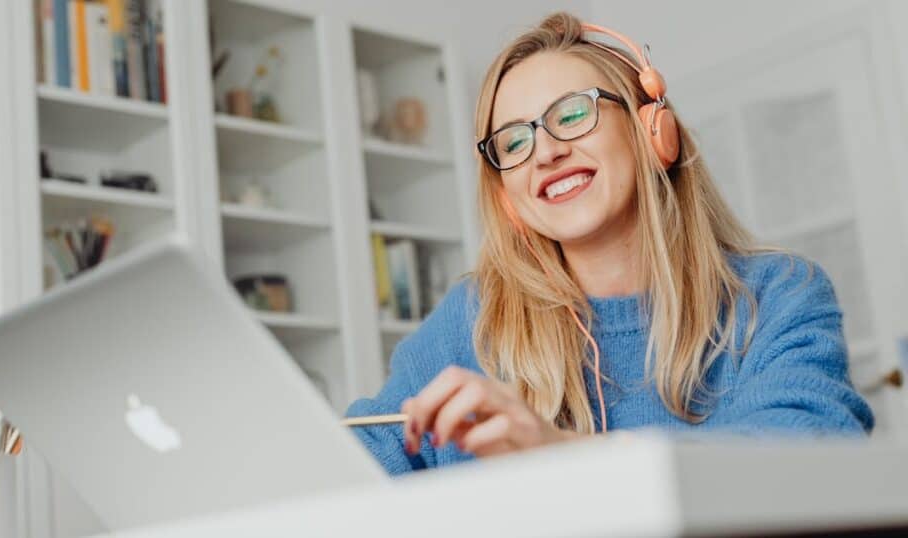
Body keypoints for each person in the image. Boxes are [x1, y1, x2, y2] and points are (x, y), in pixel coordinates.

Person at [345, 12, 874, 476]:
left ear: (652, 132)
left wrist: (561, 453)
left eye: (573, 114)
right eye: (514, 142)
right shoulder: (470, 322)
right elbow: (355, 461)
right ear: (508, 197)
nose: (545, 152)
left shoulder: (777, 297)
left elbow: (810, 453)